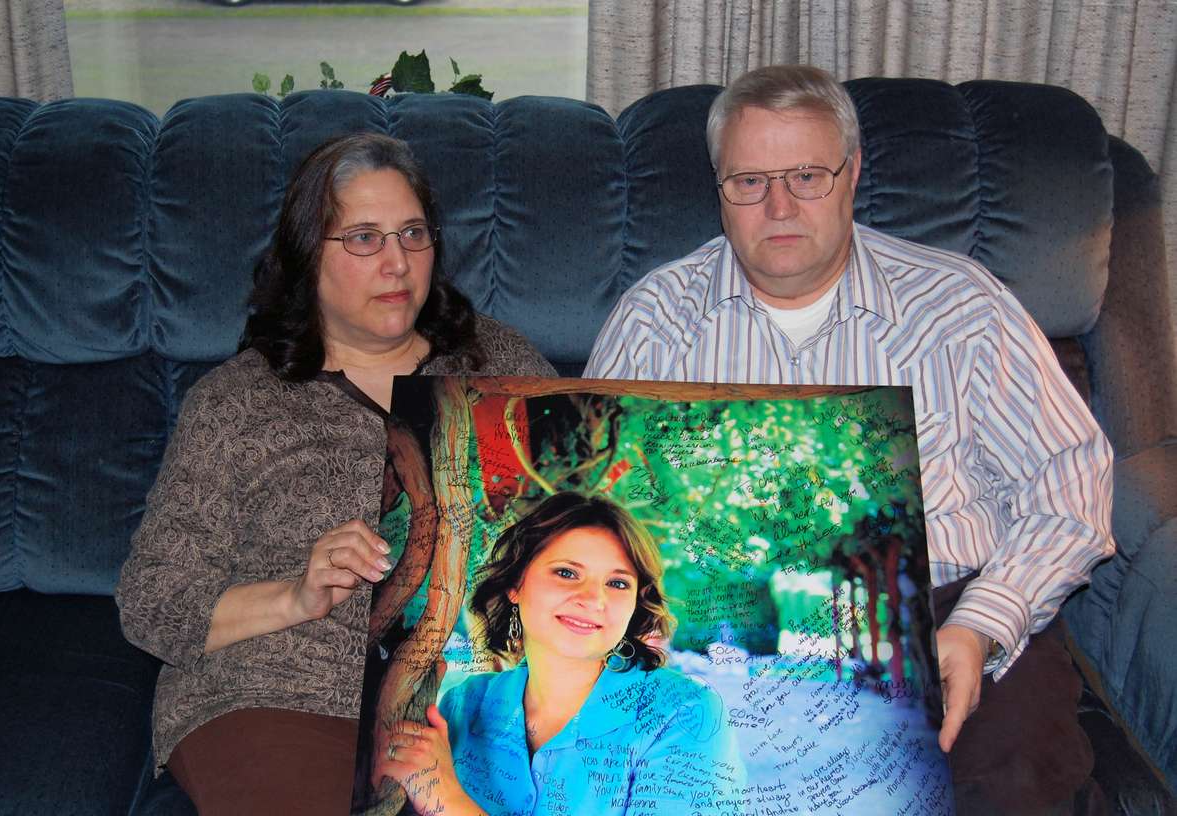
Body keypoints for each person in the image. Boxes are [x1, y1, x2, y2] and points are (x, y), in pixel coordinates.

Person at [584, 65, 1114, 815]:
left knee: (1018, 782)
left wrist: (983, 623)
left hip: (939, 610)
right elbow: (597, 508)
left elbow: (1073, 479)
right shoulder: (655, 322)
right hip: (723, 630)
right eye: (750, 182)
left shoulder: (960, 308)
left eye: (806, 176)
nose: (779, 206)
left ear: (853, 172)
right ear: (719, 188)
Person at [115, 132, 555, 815]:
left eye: (413, 234)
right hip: (278, 696)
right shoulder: (238, 401)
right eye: (364, 239)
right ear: (305, 256)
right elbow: (150, 603)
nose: (397, 263)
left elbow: (577, 508)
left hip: (461, 703)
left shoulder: (498, 365)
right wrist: (297, 595)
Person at [374, 491, 747, 815]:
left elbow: (439, 799)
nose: (593, 599)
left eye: (618, 583)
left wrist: (447, 799)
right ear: (516, 583)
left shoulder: (686, 713)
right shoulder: (463, 706)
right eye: (567, 573)